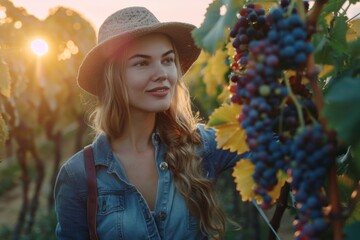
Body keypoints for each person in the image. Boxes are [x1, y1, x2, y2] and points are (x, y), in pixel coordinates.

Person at [54, 6, 249, 240]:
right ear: (112, 79)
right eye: (142, 63)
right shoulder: (77, 176)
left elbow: (278, 140)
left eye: (168, 60)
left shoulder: (200, 146)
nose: (162, 73)